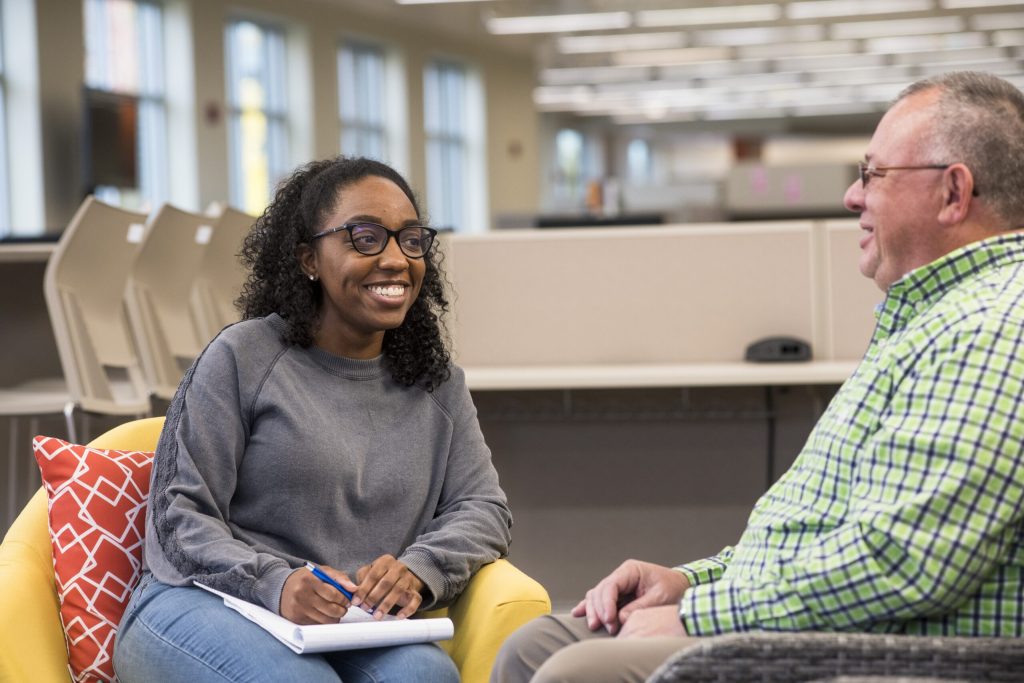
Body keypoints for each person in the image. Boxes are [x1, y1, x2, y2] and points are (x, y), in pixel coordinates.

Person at [491, 70, 1024, 683]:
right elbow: (817, 534)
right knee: (534, 645)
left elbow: (902, 564)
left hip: (881, 649)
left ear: (953, 192)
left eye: (873, 174)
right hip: (810, 619)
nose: (853, 197)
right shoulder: (930, 318)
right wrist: (688, 580)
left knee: (577, 673)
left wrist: (703, 614)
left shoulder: (991, 328)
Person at [112, 156, 512, 683]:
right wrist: (275, 582)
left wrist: (420, 567)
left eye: (410, 240)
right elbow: (178, 516)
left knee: (424, 676)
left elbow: (482, 508)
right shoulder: (243, 357)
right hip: (209, 604)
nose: (396, 259)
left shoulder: (437, 382)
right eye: (365, 237)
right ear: (309, 259)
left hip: (349, 622)